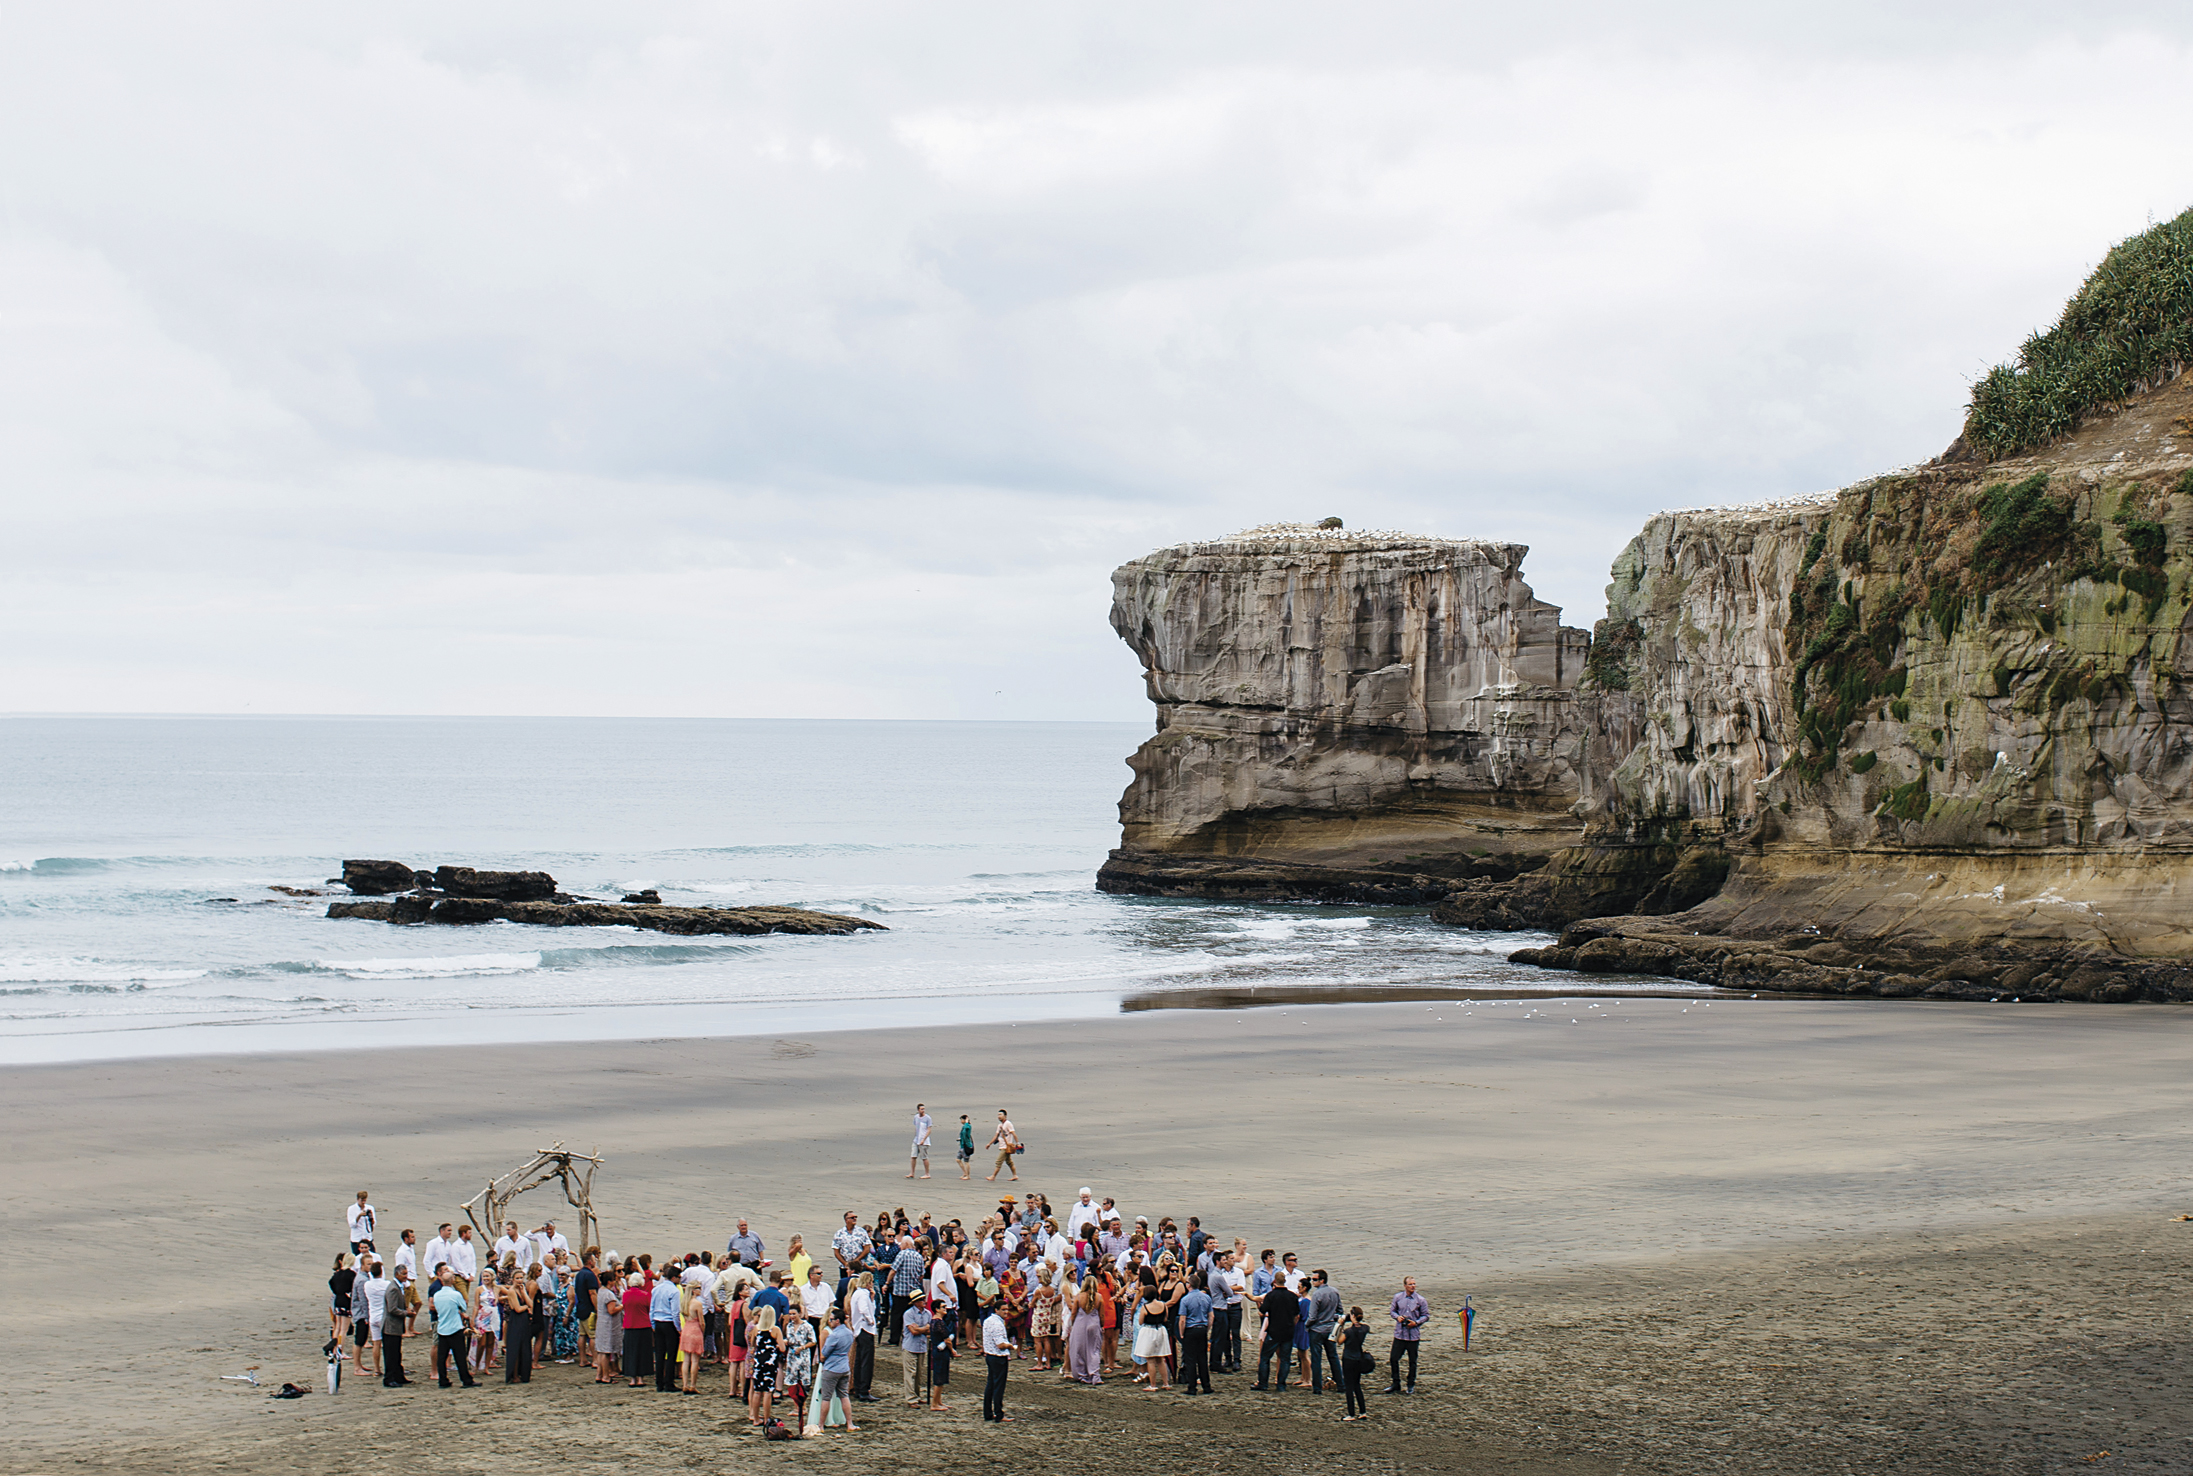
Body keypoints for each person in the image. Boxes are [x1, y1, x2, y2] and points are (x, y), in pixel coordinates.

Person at [809, 1307, 858, 1434]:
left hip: (832, 1368)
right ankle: (849, 1423)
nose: (829, 1321)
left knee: (826, 1397)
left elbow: (824, 1352)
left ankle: (821, 1425)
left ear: (837, 1321)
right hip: (844, 1366)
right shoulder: (849, 1333)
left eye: (831, 1319)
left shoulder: (834, 1335)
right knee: (844, 1396)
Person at [1255, 1273, 1300, 1391]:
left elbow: (1263, 1311)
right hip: (1288, 1331)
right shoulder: (1293, 1296)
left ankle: (1263, 1383)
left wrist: (1259, 1303)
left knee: (1265, 1357)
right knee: (1285, 1358)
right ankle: (1281, 1384)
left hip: (1274, 1330)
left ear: (1274, 1281)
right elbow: (1296, 1315)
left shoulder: (1271, 1296)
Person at [431, 1269, 476, 1388]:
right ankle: (466, 1380)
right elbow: (463, 1307)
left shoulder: (437, 1295)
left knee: (442, 1357)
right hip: (455, 1328)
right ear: (452, 1280)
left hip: (442, 1328)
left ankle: (443, 1380)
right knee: (460, 1356)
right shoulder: (455, 1294)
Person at [1386, 1276, 1428, 1394]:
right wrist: (1397, 1317)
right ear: (1405, 1285)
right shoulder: (1398, 1297)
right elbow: (1392, 1311)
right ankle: (1395, 1383)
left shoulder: (1421, 1300)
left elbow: (1426, 1315)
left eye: (1414, 1284)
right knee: (1394, 1359)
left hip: (1413, 1335)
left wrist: (1416, 1323)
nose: (1413, 1286)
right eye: (1410, 1284)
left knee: (1412, 1361)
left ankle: (1410, 1384)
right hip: (1400, 1334)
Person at [1305, 1268, 1344, 1394]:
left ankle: (1317, 1388)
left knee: (1316, 1359)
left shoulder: (1317, 1294)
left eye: (1315, 1280)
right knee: (1333, 1357)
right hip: (1330, 1329)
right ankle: (1341, 1385)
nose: (1312, 1282)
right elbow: (1340, 1311)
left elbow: (1312, 1316)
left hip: (1317, 1330)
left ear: (1322, 1280)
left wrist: (1307, 1326)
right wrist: (1333, 1318)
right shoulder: (1334, 1292)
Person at [746, 1305, 784, 1426]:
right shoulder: (775, 1330)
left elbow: (753, 1344)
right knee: (768, 1391)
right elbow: (782, 1348)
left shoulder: (756, 1329)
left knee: (757, 1391)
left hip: (758, 1361)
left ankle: (756, 1418)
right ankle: (767, 1418)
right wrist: (777, 1346)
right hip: (770, 1362)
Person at [1178, 1274, 1213, 1395]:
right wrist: (1207, 1328)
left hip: (1190, 1329)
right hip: (1202, 1328)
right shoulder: (1206, 1298)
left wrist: (1182, 1333)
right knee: (1202, 1358)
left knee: (1190, 1359)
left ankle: (1192, 1387)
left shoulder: (1185, 1300)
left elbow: (1182, 1319)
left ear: (1189, 1285)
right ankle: (1206, 1386)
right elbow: (1211, 1316)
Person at [650, 1260, 682, 1392]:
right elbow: (675, 1312)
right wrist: (678, 1328)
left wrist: (652, 1323)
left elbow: (651, 1308)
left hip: (658, 1321)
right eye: (679, 1277)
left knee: (659, 1353)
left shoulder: (656, 1289)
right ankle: (669, 1382)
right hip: (669, 1323)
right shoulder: (674, 1291)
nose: (680, 1279)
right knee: (671, 1354)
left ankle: (659, 1382)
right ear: (673, 1278)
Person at [1339, 1305, 1374, 1421]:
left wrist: (1340, 1324)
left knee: (1349, 1387)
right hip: (1359, 1358)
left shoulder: (1348, 1331)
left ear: (1353, 1316)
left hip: (1348, 1359)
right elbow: (1363, 1327)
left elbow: (1339, 1341)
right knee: (1357, 1385)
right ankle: (1362, 1411)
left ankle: (1351, 1414)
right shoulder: (1364, 1329)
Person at [980, 1300, 1014, 1421]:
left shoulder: (988, 1321)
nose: (1006, 1312)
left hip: (990, 1355)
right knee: (998, 1386)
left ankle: (988, 1413)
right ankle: (999, 1414)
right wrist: (1011, 1346)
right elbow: (1000, 1345)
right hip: (998, 1357)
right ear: (996, 1310)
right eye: (1003, 1310)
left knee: (991, 1385)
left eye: (1007, 1309)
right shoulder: (997, 1324)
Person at [846, 1271, 878, 1401]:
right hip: (865, 1329)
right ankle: (864, 1390)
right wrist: (870, 1320)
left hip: (859, 1329)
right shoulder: (862, 1295)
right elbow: (864, 1309)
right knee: (866, 1360)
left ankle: (859, 1388)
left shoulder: (857, 1294)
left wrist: (872, 1299)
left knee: (859, 1359)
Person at [501, 1261, 535, 1384]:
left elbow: (531, 1304)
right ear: (512, 1279)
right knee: (515, 1348)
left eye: (521, 1278)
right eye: (517, 1278)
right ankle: (514, 1375)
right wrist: (526, 1306)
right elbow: (518, 1308)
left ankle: (523, 1373)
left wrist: (524, 1293)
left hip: (524, 1321)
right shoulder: (511, 1291)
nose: (520, 1280)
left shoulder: (522, 1289)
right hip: (515, 1320)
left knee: (524, 1347)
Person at [1065, 1278, 1104, 1384]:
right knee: (1094, 1350)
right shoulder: (1099, 1297)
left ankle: (1082, 1375)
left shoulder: (1078, 1297)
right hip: (1094, 1324)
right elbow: (1102, 1315)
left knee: (1079, 1350)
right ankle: (1095, 1375)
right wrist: (1102, 1326)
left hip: (1080, 1324)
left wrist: (1072, 1325)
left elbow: (1073, 1313)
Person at [381, 1266, 415, 1386]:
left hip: (395, 1327)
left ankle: (398, 1376)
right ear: (397, 1275)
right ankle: (389, 1378)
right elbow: (392, 1309)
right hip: (390, 1327)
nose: (406, 1276)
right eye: (403, 1274)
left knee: (396, 1353)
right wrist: (406, 1313)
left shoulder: (398, 1287)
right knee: (391, 1354)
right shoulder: (393, 1289)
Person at [621, 1267, 653, 1387]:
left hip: (629, 1325)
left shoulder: (625, 1295)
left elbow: (624, 1308)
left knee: (631, 1352)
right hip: (643, 1325)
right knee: (643, 1352)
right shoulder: (645, 1295)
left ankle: (632, 1378)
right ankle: (640, 1378)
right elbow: (649, 1309)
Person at [899, 1296, 931, 1405]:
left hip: (921, 1347)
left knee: (918, 1374)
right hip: (910, 1346)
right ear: (915, 1302)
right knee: (910, 1374)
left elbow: (929, 1330)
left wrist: (919, 1328)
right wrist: (924, 1328)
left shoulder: (928, 1313)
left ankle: (916, 1395)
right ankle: (911, 1398)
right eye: (921, 1300)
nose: (924, 1301)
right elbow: (913, 1331)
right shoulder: (908, 1314)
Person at [593, 1271, 623, 1383]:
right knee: (606, 1351)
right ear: (610, 1281)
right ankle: (606, 1376)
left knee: (601, 1351)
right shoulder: (609, 1294)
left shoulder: (601, 1291)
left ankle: (599, 1374)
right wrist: (621, 1306)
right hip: (608, 1325)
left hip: (601, 1322)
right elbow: (611, 1310)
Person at [677, 1279, 705, 1393]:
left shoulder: (684, 1303)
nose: (700, 1290)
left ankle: (685, 1384)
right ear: (693, 1290)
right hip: (695, 1329)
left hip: (686, 1329)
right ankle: (693, 1385)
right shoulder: (697, 1304)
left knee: (686, 1359)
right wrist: (702, 1331)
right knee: (695, 1360)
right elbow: (702, 1322)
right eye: (698, 1288)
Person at [985, 1108, 1019, 1183]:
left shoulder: (1008, 1124)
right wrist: (989, 1144)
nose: (999, 1116)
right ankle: (1015, 1175)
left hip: (1006, 1147)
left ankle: (993, 1176)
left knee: (998, 1161)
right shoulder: (1000, 1125)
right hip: (1002, 1146)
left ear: (1005, 1116)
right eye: (998, 1115)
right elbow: (996, 1136)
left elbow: (1013, 1133)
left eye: (1000, 1115)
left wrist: (1018, 1143)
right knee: (1009, 1162)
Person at [908, 1102, 933, 1179]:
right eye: (921, 1109)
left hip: (924, 1141)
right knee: (913, 1156)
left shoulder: (928, 1118)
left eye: (924, 1109)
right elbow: (916, 1127)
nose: (923, 1110)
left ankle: (927, 1173)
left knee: (924, 1157)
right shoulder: (916, 1117)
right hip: (916, 1140)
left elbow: (929, 1130)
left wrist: (923, 1139)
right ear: (918, 1110)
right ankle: (912, 1173)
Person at [956, 1114, 975, 1180]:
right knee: (958, 1159)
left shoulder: (968, 1126)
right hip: (962, 1145)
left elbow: (966, 1131)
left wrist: (967, 1122)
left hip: (966, 1146)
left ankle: (968, 1175)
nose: (961, 1121)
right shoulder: (964, 1126)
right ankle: (965, 1173)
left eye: (962, 1119)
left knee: (966, 1161)